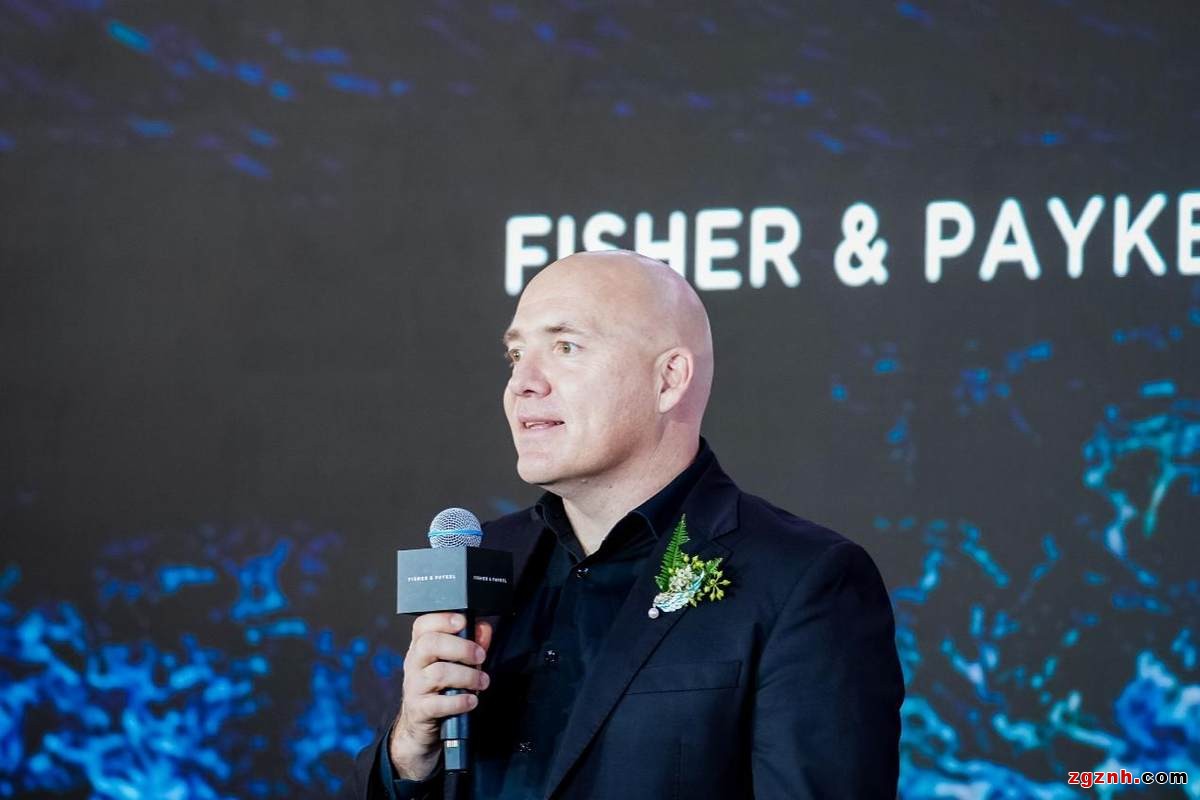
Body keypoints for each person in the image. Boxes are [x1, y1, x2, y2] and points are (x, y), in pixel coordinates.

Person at [352, 250, 903, 799]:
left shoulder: (803, 580)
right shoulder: (490, 558)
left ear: (669, 379)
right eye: (516, 354)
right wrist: (410, 753)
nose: (522, 383)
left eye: (565, 347)